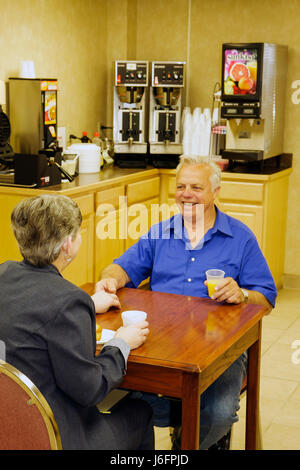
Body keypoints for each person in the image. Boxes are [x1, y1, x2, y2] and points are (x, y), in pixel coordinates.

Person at [97, 155, 277, 450]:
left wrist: (242, 294)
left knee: (217, 414)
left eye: (196, 187)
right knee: (114, 394)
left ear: (215, 192)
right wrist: (110, 280)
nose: (187, 194)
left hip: (219, 348)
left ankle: (187, 444)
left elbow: (267, 298)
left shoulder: (241, 238)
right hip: (160, 343)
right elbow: (120, 268)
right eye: (181, 186)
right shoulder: (159, 233)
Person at [0, 194, 153, 450]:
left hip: (7, 428)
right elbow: (90, 390)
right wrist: (120, 344)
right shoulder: (69, 300)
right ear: (67, 245)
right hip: (53, 436)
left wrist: (89, 304)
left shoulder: (4, 273)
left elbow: (27, 314)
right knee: (141, 411)